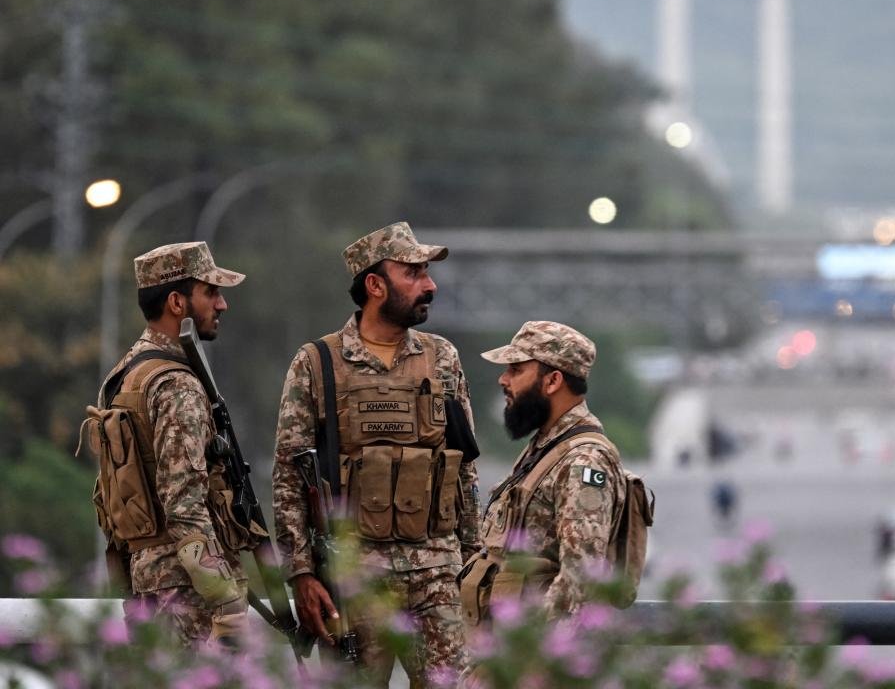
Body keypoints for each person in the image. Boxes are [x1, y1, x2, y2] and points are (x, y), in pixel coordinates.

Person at [272, 221, 482, 687]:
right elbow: (290, 476)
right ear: (374, 284)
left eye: (427, 272)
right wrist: (301, 575)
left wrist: (475, 566)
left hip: (438, 578)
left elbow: (464, 469)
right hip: (354, 581)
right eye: (413, 273)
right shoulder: (318, 365)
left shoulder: (442, 358)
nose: (429, 285)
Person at [90, 242, 254, 648]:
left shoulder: (123, 376)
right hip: (188, 593)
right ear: (177, 302)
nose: (222, 304)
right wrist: (225, 599)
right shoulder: (176, 383)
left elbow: (113, 501)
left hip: (149, 584)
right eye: (210, 292)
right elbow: (183, 503)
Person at [459, 321, 627, 624]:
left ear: (552, 381)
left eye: (516, 369)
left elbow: (581, 580)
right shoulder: (546, 449)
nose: (503, 379)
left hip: (532, 657)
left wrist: (529, 658)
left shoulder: (583, 461)